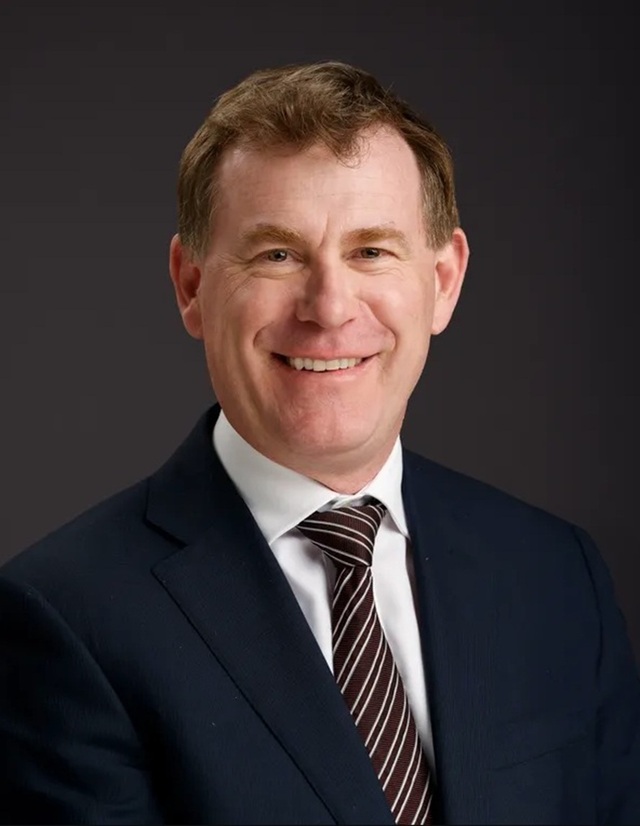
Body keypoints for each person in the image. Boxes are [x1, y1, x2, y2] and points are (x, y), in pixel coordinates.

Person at [0, 61, 638, 825]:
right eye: (277, 254)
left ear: (444, 281)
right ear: (191, 285)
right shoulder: (65, 616)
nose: (329, 308)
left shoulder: (555, 574)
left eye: (372, 252)